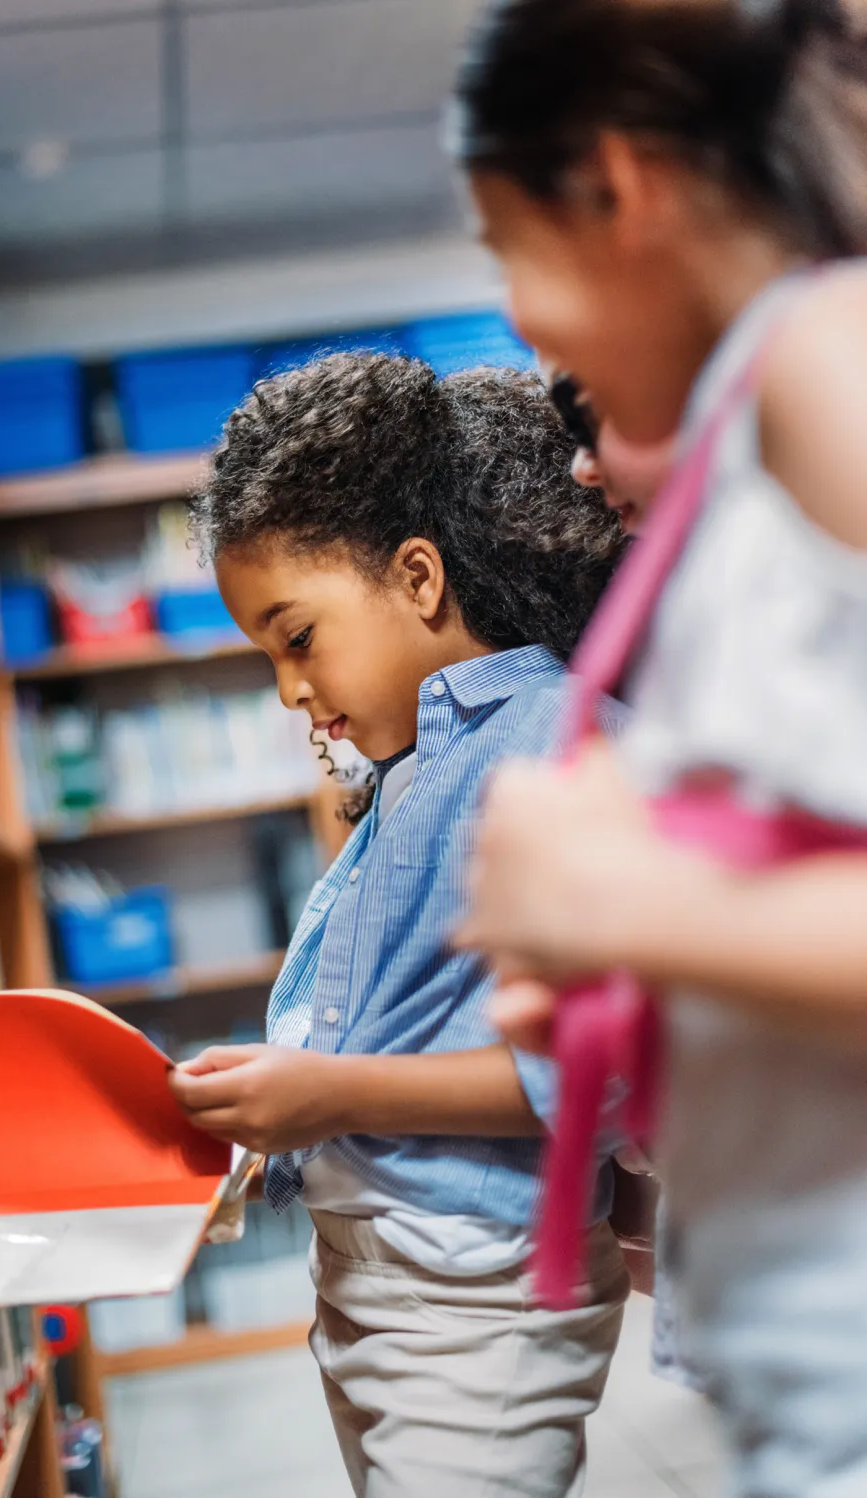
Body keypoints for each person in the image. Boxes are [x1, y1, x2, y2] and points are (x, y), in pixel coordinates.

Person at [453, 2, 867, 1495]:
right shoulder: (760, 438)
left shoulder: (824, 362)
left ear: (617, 190)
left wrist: (625, 907)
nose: (515, 314)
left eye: (506, 246)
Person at [170, 353, 629, 1498]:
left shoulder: (555, 745)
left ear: (417, 578)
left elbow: (591, 1077)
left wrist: (325, 1094)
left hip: (477, 1292)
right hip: (377, 1284)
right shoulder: (419, 764)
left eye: (298, 636)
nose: (288, 691)